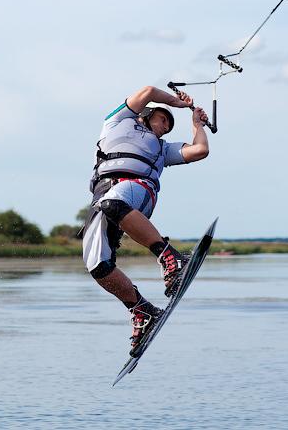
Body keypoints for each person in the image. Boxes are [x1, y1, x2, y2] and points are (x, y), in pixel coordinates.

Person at [80, 85, 210, 353]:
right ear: (145, 115)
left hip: (138, 188)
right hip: (103, 193)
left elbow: (200, 150)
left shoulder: (163, 149)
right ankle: (142, 311)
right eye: (163, 119)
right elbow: (149, 90)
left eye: (169, 126)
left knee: (112, 204)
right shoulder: (116, 123)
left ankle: (171, 258)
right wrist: (177, 103)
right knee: (97, 265)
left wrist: (197, 124)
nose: (165, 127)